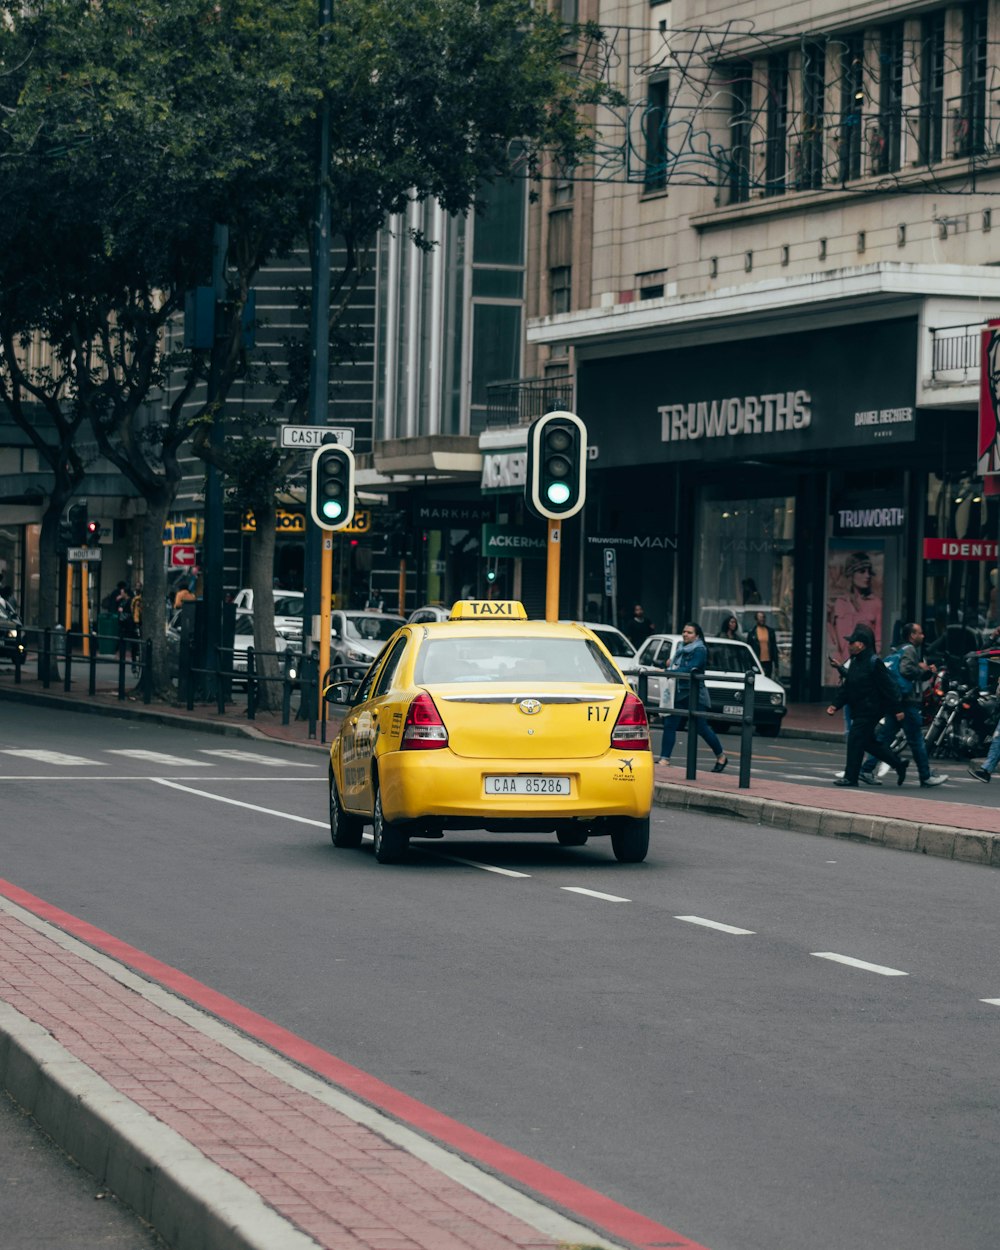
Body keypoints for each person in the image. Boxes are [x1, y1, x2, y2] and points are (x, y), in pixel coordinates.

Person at [858, 622, 946, 788]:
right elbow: (907, 670)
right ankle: (925, 776)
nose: (923, 636)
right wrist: (925, 671)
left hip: (895, 702)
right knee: (917, 740)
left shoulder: (898, 649)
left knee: (884, 738)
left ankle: (866, 769)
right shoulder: (910, 650)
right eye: (920, 633)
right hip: (907, 702)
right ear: (912, 635)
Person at [825, 625, 906, 787]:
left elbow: (888, 687)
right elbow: (849, 686)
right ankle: (898, 764)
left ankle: (851, 777)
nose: (849, 645)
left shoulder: (874, 663)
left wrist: (897, 709)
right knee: (869, 743)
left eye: (852, 642)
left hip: (871, 710)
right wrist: (835, 705)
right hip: (859, 709)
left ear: (861, 644)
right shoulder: (856, 661)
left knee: (855, 740)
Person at [656, 622, 728, 773]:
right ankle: (664, 759)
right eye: (684, 631)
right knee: (670, 723)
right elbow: (676, 666)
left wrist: (669, 671)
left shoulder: (699, 649)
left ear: (697, 636)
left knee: (701, 727)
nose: (685, 634)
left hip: (694, 693)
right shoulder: (682, 648)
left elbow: (690, 669)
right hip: (679, 691)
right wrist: (668, 666)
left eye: (689, 632)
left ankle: (721, 756)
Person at [827, 551, 881, 666]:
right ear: (851, 574)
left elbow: (879, 641)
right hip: (840, 667)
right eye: (862, 571)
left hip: (864, 667)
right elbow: (831, 635)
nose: (867, 576)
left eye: (869, 572)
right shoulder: (839, 603)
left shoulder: (876, 603)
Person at [746, 610, 778, 677]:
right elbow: (749, 648)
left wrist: (776, 664)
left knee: (768, 678)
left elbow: (774, 647)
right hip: (757, 661)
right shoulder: (752, 632)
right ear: (756, 619)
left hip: (768, 661)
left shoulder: (770, 631)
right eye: (760, 617)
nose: (762, 619)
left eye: (763, 617)